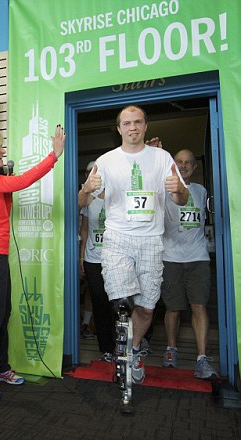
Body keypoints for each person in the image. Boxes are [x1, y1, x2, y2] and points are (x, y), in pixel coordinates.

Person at [79, 105, 188, 385]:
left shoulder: (162, 158)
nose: (132, 127)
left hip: (151, 240)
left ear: (145, 126)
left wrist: (180, 190)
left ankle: (134, 348)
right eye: (126, 123)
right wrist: (86, 190)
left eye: (137, 122)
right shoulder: (106, 161)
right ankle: (121, 344)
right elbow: (83, 202)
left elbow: (181, 199)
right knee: (122, 301)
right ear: (119, 129)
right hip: (117, 239)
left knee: (147, 307)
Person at [0, 127, 65, 399]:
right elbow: (23, 182)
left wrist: (5, 182)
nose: (3, 152)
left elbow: (6, 205)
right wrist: (53, 156)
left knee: (4, 312)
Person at [161, 149, 218, 379]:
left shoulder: (201, 191)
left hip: (198, 258)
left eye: (188, 163)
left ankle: (202, 358)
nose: (183, 166)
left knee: (199, 306)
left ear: (195, 167)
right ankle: (171, 350)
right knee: (172, 308)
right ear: (173, 165)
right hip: (171, 258)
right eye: (179, 162)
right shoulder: (164, 191)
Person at [79, 160, 114, 361]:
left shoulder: (115, 196)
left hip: (114, 258)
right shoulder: (88, 199)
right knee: (99, 302)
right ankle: (106, 349)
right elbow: (84, 230)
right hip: (93, 258)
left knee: (117, 302)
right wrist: (82, 256)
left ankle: (122, 345)